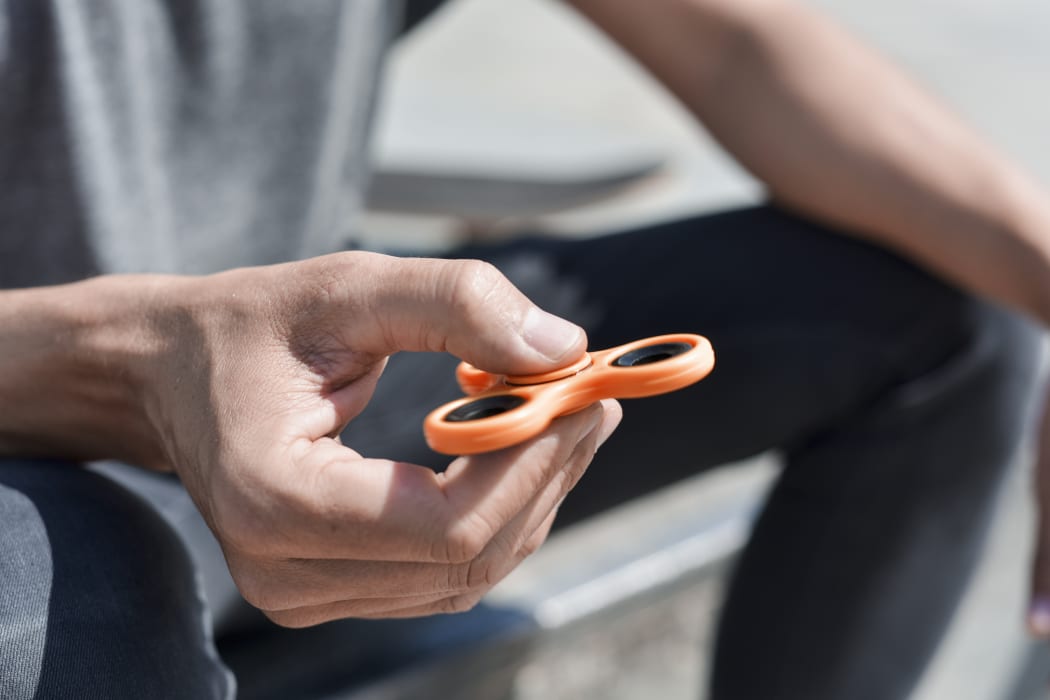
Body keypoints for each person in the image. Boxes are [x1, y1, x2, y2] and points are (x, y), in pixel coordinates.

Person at [0, 0, 1047, 698]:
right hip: (31, 408)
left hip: (308, 371)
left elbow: (736, 44)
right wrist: (132, 359)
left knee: (951, 321)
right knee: (69, 619)